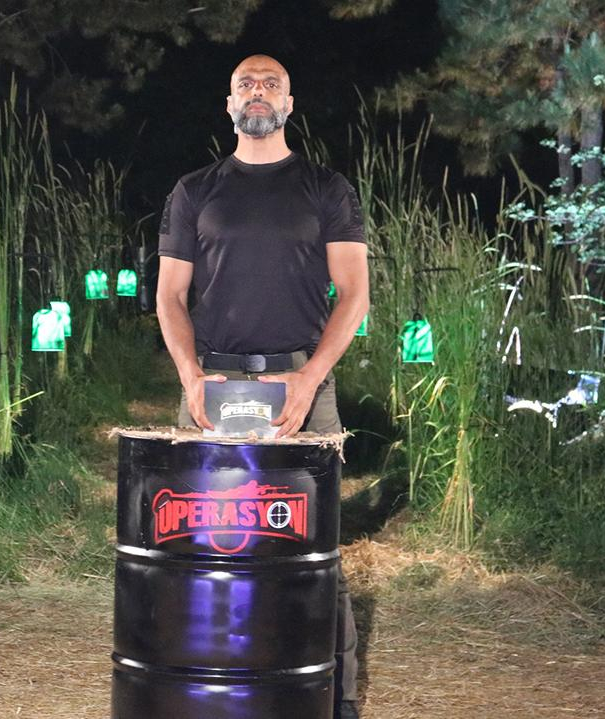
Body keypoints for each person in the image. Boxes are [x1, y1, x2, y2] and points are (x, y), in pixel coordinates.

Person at [155, 54, 369, 719]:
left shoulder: (327, 189)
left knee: (313, 553)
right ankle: (205, 690)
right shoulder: (194, 190)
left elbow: (355, 295)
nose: (257, 92)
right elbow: (169, 296)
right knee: (200, 549)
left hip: (302, 388)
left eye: (271, 84)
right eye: (245, 84)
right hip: (212, 386)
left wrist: (309, 378)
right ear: (229, 105)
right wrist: (191, 376)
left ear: (288, 104)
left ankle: (336, 699)